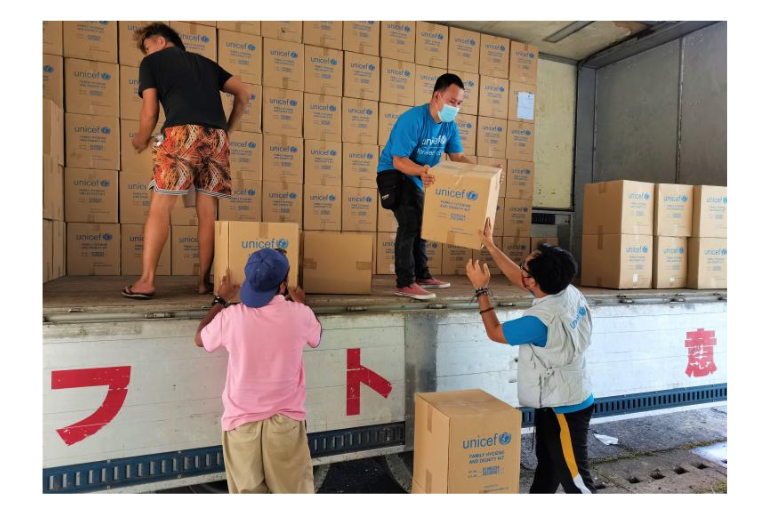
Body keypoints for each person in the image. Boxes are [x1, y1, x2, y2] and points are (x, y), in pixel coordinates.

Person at [465, 218, 597, 494]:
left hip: (564, 408)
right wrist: (491, 245)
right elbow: (522, 278)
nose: (521, 271)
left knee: (577, 481)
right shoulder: (567, 291)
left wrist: (481, 289)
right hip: (560, 396)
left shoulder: (540, 321)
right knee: (548, 467)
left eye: (524, 267)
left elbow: (496, 332)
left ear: (535, 280)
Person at [122, 22, 251, 299]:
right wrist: (227, 130)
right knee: (208, 212)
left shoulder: (152, 62)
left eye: (146, 47)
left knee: (160, 207)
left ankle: (146, 282)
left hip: (182, 135)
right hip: (216, 138)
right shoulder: (205, 63)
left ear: (160, 41)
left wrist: (140, 139)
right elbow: (244, 92)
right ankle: (204, 282)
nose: (146, 53)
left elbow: (150, 111)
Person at [195, 248, 322, 494]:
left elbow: (200, 338)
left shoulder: (232, 316)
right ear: (283, 285)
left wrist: (220, 301)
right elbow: (316, 337)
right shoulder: (300, 315)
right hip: (285, 422)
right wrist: (301, 304)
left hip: (241, 423)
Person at [376, 73, 476, 301]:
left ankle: (421, 276)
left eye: (459, 103)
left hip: (420, 177)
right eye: (452, 101)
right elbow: (398, 160)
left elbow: (458, 157)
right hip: (394, 174)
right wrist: (422, 171)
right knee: (410, 223)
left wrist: (485, 173)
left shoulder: (449, 125)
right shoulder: (413, 119)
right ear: (437, 96)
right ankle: (405, 283)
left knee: (424, 225)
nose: (455, 107)